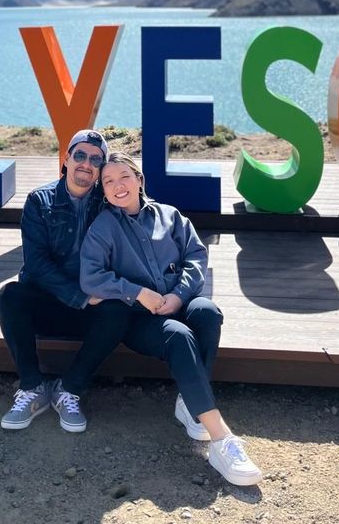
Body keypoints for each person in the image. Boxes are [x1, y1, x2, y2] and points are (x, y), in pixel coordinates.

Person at [80, 153, 263, 487]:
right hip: (140, 321)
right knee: (178, 335)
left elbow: (196, 256)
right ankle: (221, 439)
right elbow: (90, 278)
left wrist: (179, 294)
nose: (118, 186)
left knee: (207, 311)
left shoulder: (171, 216)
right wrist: (137, 293)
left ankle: (190, 404)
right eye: (108, 181)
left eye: (125, 177)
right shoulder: (103, 227)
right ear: (103, 191)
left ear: (140, 180)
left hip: (180, 301)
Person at [0, 129, 132, 433]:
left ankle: (69, 389)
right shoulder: (39, 201)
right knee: (10, 297)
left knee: (119, 310)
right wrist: (79, 296)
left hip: (90, 308)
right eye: (80, 155)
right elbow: (37, 264)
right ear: (67, 159)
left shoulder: (109, 204)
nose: (86, 163)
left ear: (100, 170)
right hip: (50, 301)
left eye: (96, 159)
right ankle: (32, 387)